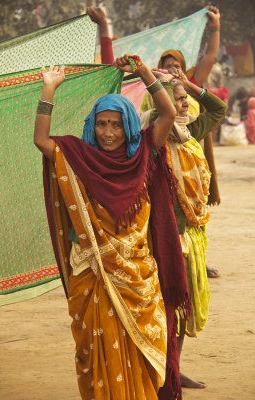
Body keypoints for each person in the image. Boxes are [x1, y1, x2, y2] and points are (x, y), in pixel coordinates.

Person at [34, 55, 190, 399]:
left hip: (138, 277)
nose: (108, 133)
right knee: (96, 353)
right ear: (93, 125)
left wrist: (146, 73)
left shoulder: (146, 150)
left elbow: (166, 113)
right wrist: (49, 91)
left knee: (144, 355)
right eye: (102, 124)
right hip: (94, 276)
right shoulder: (79, 156)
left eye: (116, 125)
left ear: (130, 127)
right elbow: (42, 142)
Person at [140, 69, 227, 389]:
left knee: (182, 304)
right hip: (166, 233)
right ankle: (162, 372)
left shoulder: (192, 129)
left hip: (192, 231)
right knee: (167, 305)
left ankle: (173, 369)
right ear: (163, 103)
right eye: (178, 100)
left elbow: (217, 109)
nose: (185, 104)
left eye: (186, 99)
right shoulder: (154, 133)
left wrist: (190, 85)